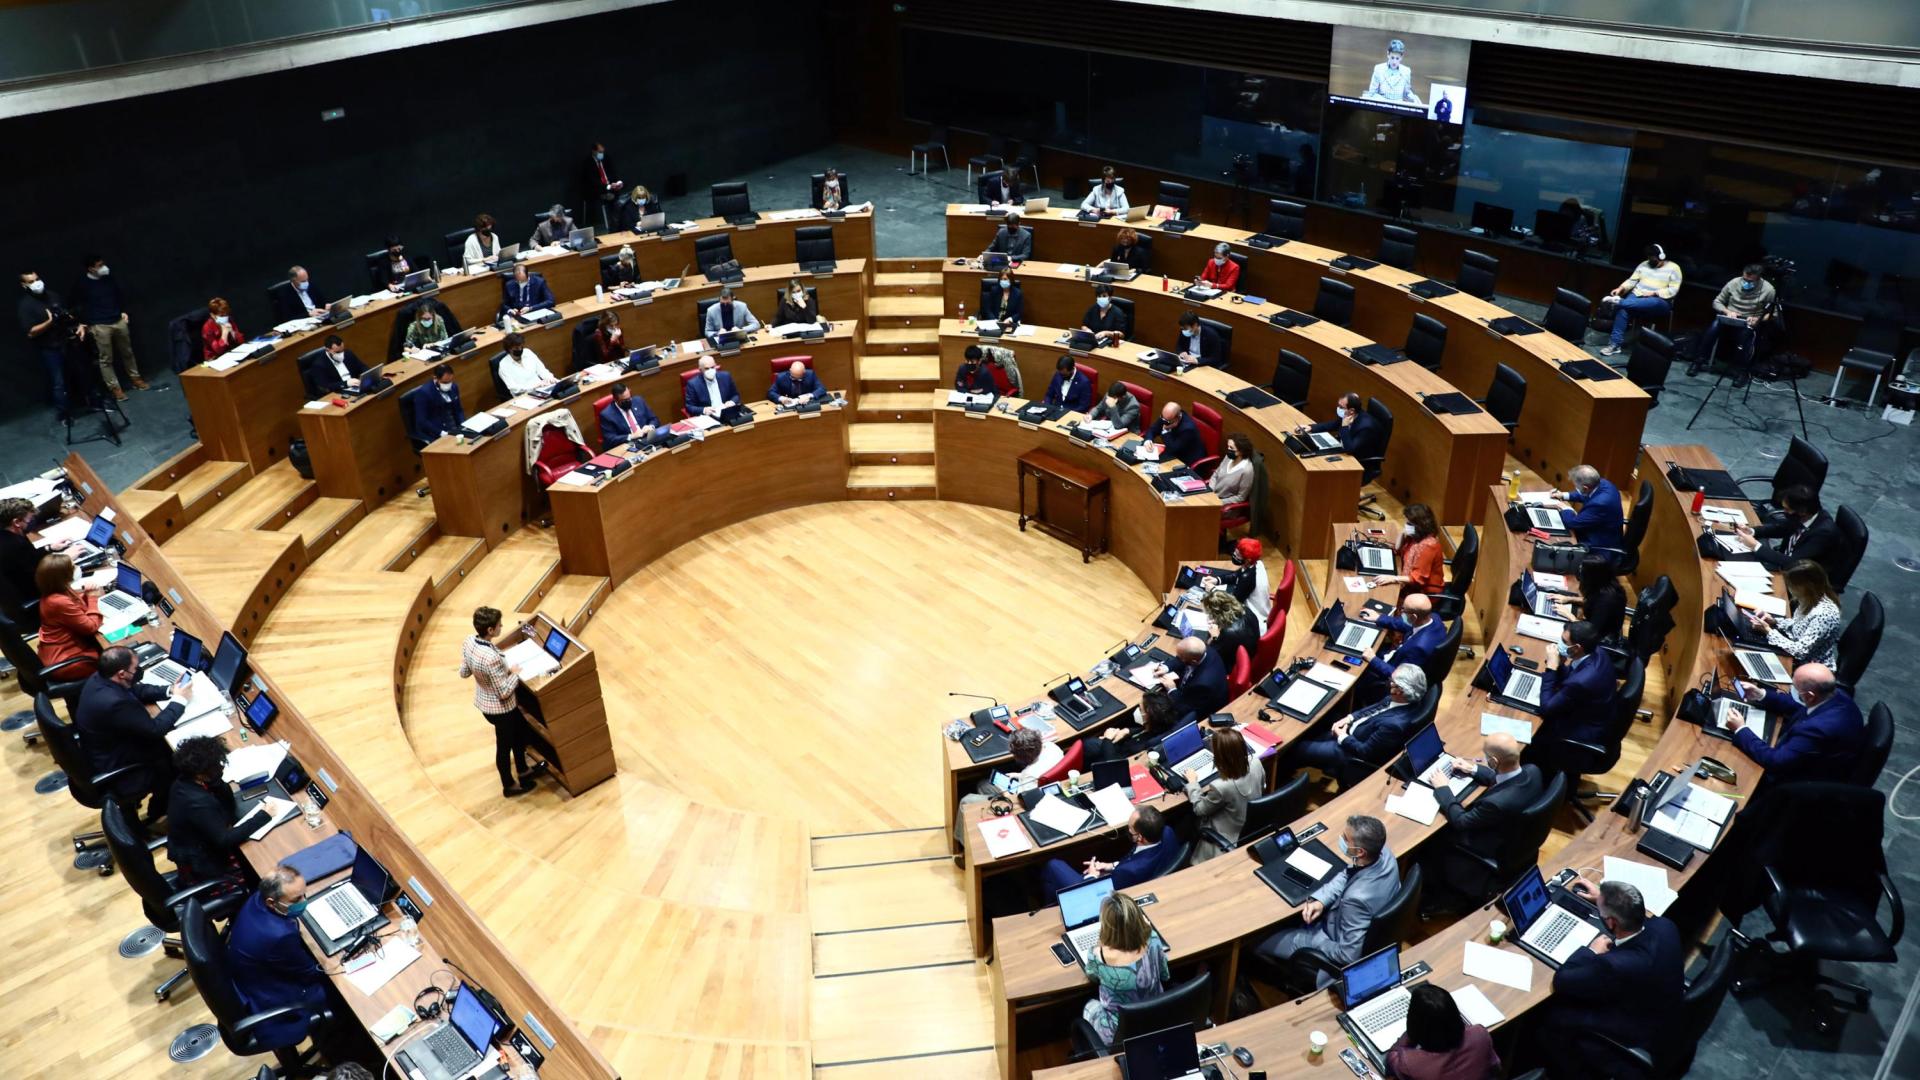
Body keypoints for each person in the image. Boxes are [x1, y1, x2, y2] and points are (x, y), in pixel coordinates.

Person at [1531, 880, 1682, 1079]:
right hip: (1664, 1016)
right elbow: (1638, 918)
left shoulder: (1614, 966)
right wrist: (1603, 900)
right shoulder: (1666, 926)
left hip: (1633, 1029)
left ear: (1611, 923)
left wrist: (1591, 951)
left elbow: (1563, 980)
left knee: (1549, 1018)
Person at [1253, 815, 1399, 984]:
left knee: (1257, 942)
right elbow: (1348, 872)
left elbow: (1348, 955)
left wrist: (1318, 941)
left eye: (1345, 839)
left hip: (1330, 941)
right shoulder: (1384, 854)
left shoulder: (1356, 900)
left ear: (1360, 851)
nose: (1341, 840)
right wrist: (1321, 900)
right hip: (1344, 923)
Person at [1421, 732, 1543, 913]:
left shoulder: (1495, 804)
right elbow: (1505, 780)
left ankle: (1435, 890)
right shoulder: (1533, 771)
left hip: (1490, 844)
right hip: (1516, 835)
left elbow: (1461, 821)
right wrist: (1473, 769)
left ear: (1493, 762)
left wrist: (1443, 788)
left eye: (1485, 756)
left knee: (1434, 836)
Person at [224, 868, 342, 1051]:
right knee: (340, 989)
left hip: (246, 980)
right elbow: (310, 972)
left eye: (304, 894)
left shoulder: (258, 899)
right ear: (272, 902)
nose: (305, 902)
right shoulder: (278, 935)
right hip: (271, 999)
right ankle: (337, 1045)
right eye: (296, 900)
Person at [75, 646, 194, 823]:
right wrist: (180, 700)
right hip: (120, 769)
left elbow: (134, 690)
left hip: (103, 752)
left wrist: (170, 691)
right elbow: (155, 730)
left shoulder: (100, 678)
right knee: (178, 759)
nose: (138, 671)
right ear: (122, 673)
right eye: (135, 669)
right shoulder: (114, 703)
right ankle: (162, 813)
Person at [1725, 661, 1866, 784]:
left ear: (1810, 696)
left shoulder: (1817, 730)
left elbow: (1776, 762)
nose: (1795, 693)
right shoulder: (1835, 694)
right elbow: (1801, 709)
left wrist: (1741, 730)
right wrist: (1761, 694)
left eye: (1797, 690)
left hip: (1802, 782)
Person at [1289, 664, 1427, 784]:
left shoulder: (1394, 725)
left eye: (1392, 681)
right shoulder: (1402, 699)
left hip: (1349, 752)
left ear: (1399, 690)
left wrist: (1342, 736)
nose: (1389, 681)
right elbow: (1373, 708)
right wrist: (1349, 718)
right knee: (1309, 733)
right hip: (1351, 732)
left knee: (1299, 748)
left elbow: (1365, 752)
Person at [166, 735, 273, 889]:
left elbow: (227, 801)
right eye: (215, 766)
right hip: (204, 867)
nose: (221, 768)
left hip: (201, 849)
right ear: (200, 774)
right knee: (262, 869)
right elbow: (224, 839)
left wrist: (217, 783)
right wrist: (264, 816)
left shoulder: (183, 782)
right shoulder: (198, 801)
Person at [460, 606, 541, 797]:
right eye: (499, 625)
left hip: (485, 703)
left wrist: (481, 672)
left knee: (520, 734)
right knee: (504, 747)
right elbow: (504, 692)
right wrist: (514, 673)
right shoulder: (490, 659)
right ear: (490, 630)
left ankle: (523, 769)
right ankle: (509, 786)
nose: (501, 627)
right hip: (501, 709)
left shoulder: (469, 642)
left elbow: (464, 672)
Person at [1077, 893, 1169, 1051]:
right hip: (1155, 1016)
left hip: (1118, 1033)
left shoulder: (1099, 955)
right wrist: (1148, 928)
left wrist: (1101, 942)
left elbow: (1092, 976)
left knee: (1088, 1005)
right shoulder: (1153, 939)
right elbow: (1164, 975)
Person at [1040, 806, 1178, 895]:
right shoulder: (1167, 832)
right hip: (1140, 874)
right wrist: (1110, 866)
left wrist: (1093, 875)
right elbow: (1133, 859)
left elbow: (1099, 893)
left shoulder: (1129, 871)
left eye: (1130, 829)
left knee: (1053, 866)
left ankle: (1054, 909)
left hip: (1105, 895)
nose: (1128, 831)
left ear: (1140, 837)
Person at [1530, 621, 1614, 754]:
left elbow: (1546, 709)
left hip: (1580, 729)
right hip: (1592, 713)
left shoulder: (1582, 682)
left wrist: (1551, 668)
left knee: (1530, 730)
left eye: (1564, 641)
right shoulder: (1597, 651)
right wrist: (1560, 664)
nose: (1559, 643)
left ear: (1577, 648)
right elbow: (1571, 675)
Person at [1385, 983, 1500, 1080]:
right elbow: (1495, 1067)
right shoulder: (1479, 1034)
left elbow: (1391, 1058)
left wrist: (1412, 1030)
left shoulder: (1410, 1063)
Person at [71, 254, 147, 398]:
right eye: (99, 266)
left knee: (128, 352)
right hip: (99, 325)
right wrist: (84, 322)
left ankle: (135, 378)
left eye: (102, 264)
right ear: (91, 268)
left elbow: (119, 295)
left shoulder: (109, 279)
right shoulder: (82, 284)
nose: (103, 268)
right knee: (106, 359)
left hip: (118, 320)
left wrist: (124, 311)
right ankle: (114, 387)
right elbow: (76, 305)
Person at [1351, 593, 1445, 709]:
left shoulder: (1419, 648)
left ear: (1414, 617)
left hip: (1390, 676)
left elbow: (1400, 676)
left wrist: (1373, 659)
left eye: (1403, 610)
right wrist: (1379, 618)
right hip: (1398, 655)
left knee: (1354, 668)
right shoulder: (1433, 618)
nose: (1401, 613)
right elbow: (1407, 625)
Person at [1730, 484, 1845, 576]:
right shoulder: (1805, 516)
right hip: (1784, 561)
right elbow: (1782, 528)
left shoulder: (1823, 533)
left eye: (1787, 509)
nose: (1784, 512)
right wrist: (1752, 531)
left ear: (1802, 511)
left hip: (1801, 578)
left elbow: (1793, 563)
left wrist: (1755, 546)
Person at [1689, 263, 1776, 382]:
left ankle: (1742, 371)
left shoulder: (1768, 289)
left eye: (1751, 280)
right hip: (1730, 316)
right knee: (1713, 328)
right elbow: (1717, 302)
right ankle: (1698, 361)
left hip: (1749, 320)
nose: (1746, 282)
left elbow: (1772, 313)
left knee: (1747, 337)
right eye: (1745, 279)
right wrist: (1726, 311)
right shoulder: (1734, 282)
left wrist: (1758, 319)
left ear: (1758, 279)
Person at [1188, 726, 1264, 863]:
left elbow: (1199, 810)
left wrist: (1193, 784)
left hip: (1229, 836)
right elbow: (1263, 786)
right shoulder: (1256, 763)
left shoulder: (1221, 787)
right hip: (1252, 824)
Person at [1745, 560, 1842, 667]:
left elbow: (1800, 652)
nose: (1789, 588)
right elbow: (1798, 626)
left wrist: (1768, 631)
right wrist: (1774, 621)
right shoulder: (1809, 599)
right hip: (1793, 649)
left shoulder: (1824, 615)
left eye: (1792, 585)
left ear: (1806, 586)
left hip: (1808, 668)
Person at [1598, 244, 1682, 357]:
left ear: (1662, 256)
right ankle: (1614, 345)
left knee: (1647, 302)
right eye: (1650, 258)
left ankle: (1619, 302)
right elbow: (1632, 281)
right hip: (1637, 296)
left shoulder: (1674, 268)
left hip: (1659, 300)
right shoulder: (1644, 264)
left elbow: (1673, 290)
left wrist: (1654, 293)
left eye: (1654, 260)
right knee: (1623, 310)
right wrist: (1620, 288)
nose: (1651, 261)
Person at [19, 271, 78, 413]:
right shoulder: (26, 305)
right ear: (24, 285)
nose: (36, 283)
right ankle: (64, 414)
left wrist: (76, 324)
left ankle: (91, 402)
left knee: (80, 373)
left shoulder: (52, 295)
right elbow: (31, 332)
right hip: (49, 348)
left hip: (67, 342)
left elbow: (66, 314)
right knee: (59, 382)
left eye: (37, 279)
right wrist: (50, 322)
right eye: (31, 281)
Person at [37, 552, 101, 678]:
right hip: (68, 660)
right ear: (63, 575)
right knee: (116, 660)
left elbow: (75, 605)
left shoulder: (57, 589)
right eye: (73, 566)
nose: (77, 568)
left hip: (64, 649)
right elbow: (91, 627)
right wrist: (93, 597)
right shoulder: (58, 602)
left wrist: (87, 595)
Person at [1542, 465, 1624, 556]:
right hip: (1599, 530)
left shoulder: (1600, 504)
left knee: (1553, 543)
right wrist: (1563, 495)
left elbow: (1572, 523)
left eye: (1576, 486)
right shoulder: (1603, 483)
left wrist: (1565, 507)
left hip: (1598, 546)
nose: (1576, 488)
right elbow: (1586, 494)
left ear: (1585, 488)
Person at [1083, 687, 1178, 764]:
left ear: (1148, 714)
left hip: (1114, 758)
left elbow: (1114, 763)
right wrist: (1127, 731)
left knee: (1087, 744)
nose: (1137, 710)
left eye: (1140, 709)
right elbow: (1143, 731)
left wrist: (1107, 739)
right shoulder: (1158, 725)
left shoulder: (1140, 747)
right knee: (1089, 744)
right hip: (1122, 744)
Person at [1550, 554, 1626, 641]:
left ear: (1591, 577)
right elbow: (1593, 600)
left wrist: (1568, 615)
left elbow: (1590, 632)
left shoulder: (1606, 601)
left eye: (1582, 571)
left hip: (1600, 639)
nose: (1579, 573)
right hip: (1598, 626)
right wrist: (1568, 598)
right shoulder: (1606, 584)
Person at [1158, 635, 1228, 727]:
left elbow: (1184, 707)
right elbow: (1180, 659)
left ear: (1193, 662)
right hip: (1193, 692)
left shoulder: (1203, 684)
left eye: (1180, 656)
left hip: (1200, 709)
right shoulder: (1203, 649)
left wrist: (1172, 689)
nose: (1178, 657)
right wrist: (1166, 667)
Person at [1379, 502, 1444, 599]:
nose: (1406, 526)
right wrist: (1402, 532)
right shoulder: (1415, 536)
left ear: (1420, 525)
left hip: (1423, 593)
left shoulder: (1429, 546)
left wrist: (1393, 578)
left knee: (1383, 596)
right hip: (1409, 584)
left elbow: (1417, 578)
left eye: (1409, 523)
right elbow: (1397, 549)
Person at [1208, 537, 1273, 632]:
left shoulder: (1249, 578)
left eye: (1238, 554)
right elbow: (1237, 574)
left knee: (1213, 621)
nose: (1234, 554)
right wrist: (1217, 580)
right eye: (1236, 551)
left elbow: (1233, 602)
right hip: (1255, 612)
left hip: (1254, 623)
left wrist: (1213, 590)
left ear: (1248, 560)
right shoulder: (1257, 563)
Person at [1304, 391, 1385, 459]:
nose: (1338, 408)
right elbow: (1334, 424)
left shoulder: (1366, 428)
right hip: (1345, 448)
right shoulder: (1350, 414)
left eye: (1341, 407)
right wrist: (1311, 427)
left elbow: (1350, 449)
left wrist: (1345, 426)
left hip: (1358, 460)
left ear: (1352, 410)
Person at [0, 497, 44, 605]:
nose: (31, 522)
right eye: (29, 519)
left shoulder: (8, 535)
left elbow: (30, 557)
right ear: (16, 522)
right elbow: (39, 573)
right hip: (31, 591)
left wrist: (50, 548)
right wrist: (66, 558)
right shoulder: (15, 545)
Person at [1202, 589, 1258, 670]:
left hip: (1233, 665)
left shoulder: (1228, 633)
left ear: (1216, 613)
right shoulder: (1245, 609)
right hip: (1250, 651)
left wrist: (1214, 637)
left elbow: (1209, 655)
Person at [1364, 38, 1423, 106]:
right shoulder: (1378, 69)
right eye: (1392, 57)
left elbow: (1406, 93)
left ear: (1401, 57)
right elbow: (1372, 92)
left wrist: (1415, 99)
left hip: (1398, 105)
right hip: (1382, 103)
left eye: (1397, 58)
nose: (1394, 62)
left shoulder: (1406, 71)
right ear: (1388, 54)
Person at [413, 364, 466, 439]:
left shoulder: (454, 387)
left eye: (450, 381)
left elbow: (458, 410)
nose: (448, 385)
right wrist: (441, 433)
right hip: (436, 431)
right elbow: (422, 421)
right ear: (435, 378)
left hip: (454, 426)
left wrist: (463, 425)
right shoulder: (424, 393)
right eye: (445, 382)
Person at [598, 382, 659, 447]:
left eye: (629, 398)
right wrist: (631, 436)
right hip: (629, 444)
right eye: (625, 400)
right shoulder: (607, 415)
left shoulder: (638, 401)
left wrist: (650, 426)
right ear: (615, 400)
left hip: (647, 437)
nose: (629, 401)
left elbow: (654, 419)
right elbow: (610, 439)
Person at [1146, 401, 1207, 466]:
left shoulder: (1188, 429)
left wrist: (1165, 431)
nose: (1163, 422)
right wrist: (1148, 440)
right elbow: (1153, 429)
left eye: (1167, 421)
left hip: (1185, 460)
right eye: (1162, 418)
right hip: (1173, 451)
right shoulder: (1167, 417)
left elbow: (1173, 448)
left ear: (1177, 418)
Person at [581, 143, 624, 228]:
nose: (602, 154)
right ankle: (609, 225)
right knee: (608, 196)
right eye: (600, 152)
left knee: (620, 195)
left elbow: (613, 173)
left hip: (609, 187)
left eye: (603, 152)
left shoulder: (606, 159)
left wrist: (617, 183)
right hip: (595, 190)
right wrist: (607, 187)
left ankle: (619, 223)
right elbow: (592, 182)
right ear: (594, 151)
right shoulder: (587, 163)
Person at [1209, 432, 1255, 505]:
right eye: (1228, 446)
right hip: (1212, 497)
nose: (1228, 449)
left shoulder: (1247, 470)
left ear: (1241, 451)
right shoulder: (1229, 457)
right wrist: (1210, 491)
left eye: (1231, 448)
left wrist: (1219, 502)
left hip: (1225, 506)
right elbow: (1216, 474)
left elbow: (1240, 497)